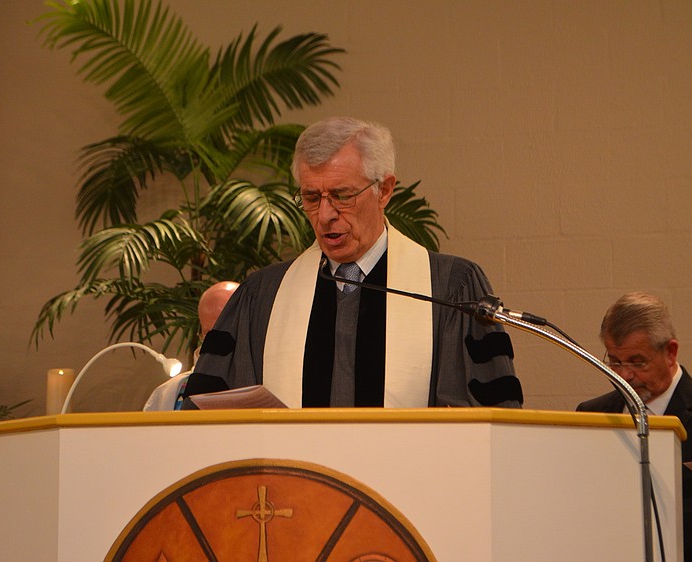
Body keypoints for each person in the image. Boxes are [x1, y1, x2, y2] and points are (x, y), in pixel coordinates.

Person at [190, 116, 521, 408]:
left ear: (385, 190)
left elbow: (486, 417)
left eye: (342, 195)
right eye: (311, 197)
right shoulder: (263, 296)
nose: (325, 215)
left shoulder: (451, 288)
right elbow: (213, 414)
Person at [577, 292, 692, 561]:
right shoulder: (591, 414)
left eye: (637, 361)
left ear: (670, 352)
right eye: (614, 361)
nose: (624, 375)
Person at [143, 281, 239, 411]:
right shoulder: (167, 395)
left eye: (228, 332)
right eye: (209, 334)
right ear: (200, 334)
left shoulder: (270, 384)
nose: (217, 342)